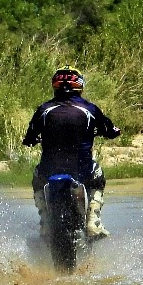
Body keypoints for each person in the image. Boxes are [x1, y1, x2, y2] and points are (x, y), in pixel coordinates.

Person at [21, 66, 121, 239]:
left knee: (37, 177)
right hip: (81, 168)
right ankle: (93, 220)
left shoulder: (43, 109)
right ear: (79, 85)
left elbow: (29, 136)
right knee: (98, 175)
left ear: (55, 85)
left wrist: (30, 140)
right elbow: (110, 129)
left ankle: (45, 222)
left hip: (49, 169)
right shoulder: (90, 109)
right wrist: (112, 132)